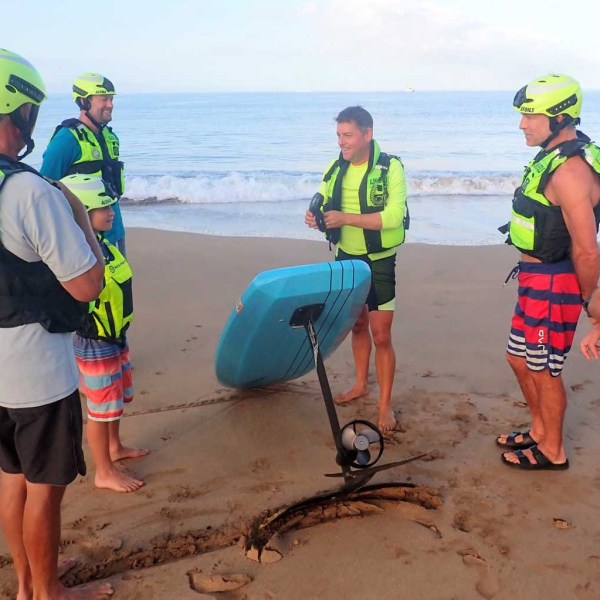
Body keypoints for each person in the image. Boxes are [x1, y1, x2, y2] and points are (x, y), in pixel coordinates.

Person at [0, 50, 113, 599]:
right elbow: (87, 283)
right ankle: (49, 594)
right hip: (37, 372)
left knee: (11, 480)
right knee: (44, 491)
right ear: (19, 113)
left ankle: (25, 586)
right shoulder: (28, 191)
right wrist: (75, 213)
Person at [497, 74, 600, 470]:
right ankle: (539, 430)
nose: (523, 124)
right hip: (533, 280)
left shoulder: (571, 172)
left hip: (556, 285)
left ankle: (552, 450)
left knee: (544, 368)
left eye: (530, 116)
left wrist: (593, 307)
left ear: (559, 117)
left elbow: (587, 248)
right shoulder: (553, 156)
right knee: (518, 359)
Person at [305, 106, 408, 433]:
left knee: (381, 334)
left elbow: (392, 217)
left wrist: (346, 218)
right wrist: (314, 217)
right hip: (347, 258)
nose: (342, 142)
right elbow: (322, 201)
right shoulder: (335, 168)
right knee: (357, 324)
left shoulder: (391, 167)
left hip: (378, 261)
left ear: (367, 133)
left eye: (347, 135)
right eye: (338, 135)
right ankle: (361, 383)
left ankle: (385, 405)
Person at [61, 174, 148, 494]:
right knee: (100, 409)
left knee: (116, 401)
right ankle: (103, 471)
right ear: (81, 212)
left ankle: (115, 447)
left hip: (114, 337)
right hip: (95, 342)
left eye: (111, 204)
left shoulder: (104, 245)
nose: (111, 211)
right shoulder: (80, 253)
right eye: (102, 207)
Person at [40, 72, 127, 255]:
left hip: (115, 230)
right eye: (104, 99)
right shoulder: (66, 139)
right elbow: (45, 187)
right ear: (84, 102)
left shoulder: (109, 137)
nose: (110, 105)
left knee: (122, 281)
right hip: (84, 238)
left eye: (111, 99)